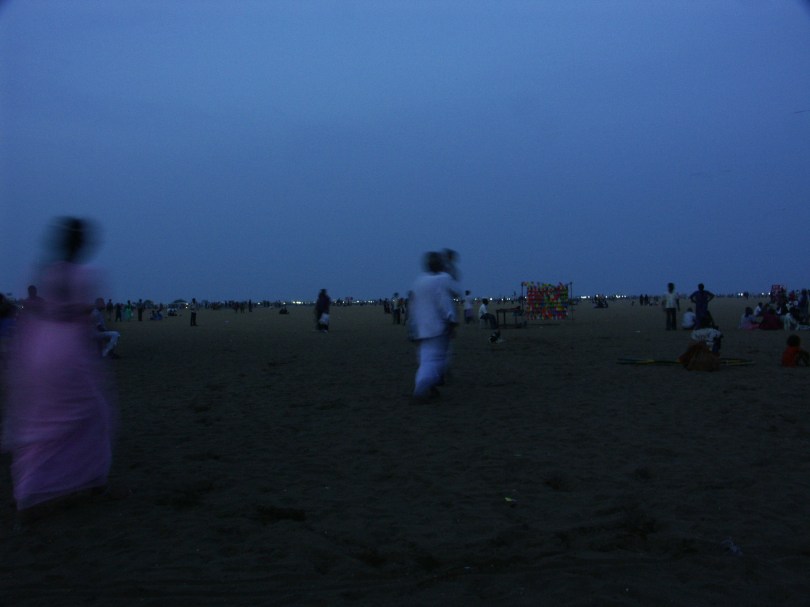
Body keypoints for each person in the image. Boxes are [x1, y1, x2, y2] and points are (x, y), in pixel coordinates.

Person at [2, 217, 118, 517]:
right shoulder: (83, 274)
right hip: (68, 351)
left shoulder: (46, 271)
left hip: (43, 348)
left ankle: (28, 490)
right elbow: (78, 314)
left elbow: (36, 309)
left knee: (46, 421)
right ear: (80, 244)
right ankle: (92, 480)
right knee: (91, 414)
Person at [408, 252, 458, 401]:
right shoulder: (442, 279)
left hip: (422, 329)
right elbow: (445, 301)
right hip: (437, 328)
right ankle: (421, 389)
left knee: (426, 360)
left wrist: (412, 327)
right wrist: (452, 320)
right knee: (435, 361)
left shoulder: (418, 281)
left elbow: (413, 305)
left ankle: (429, 388)